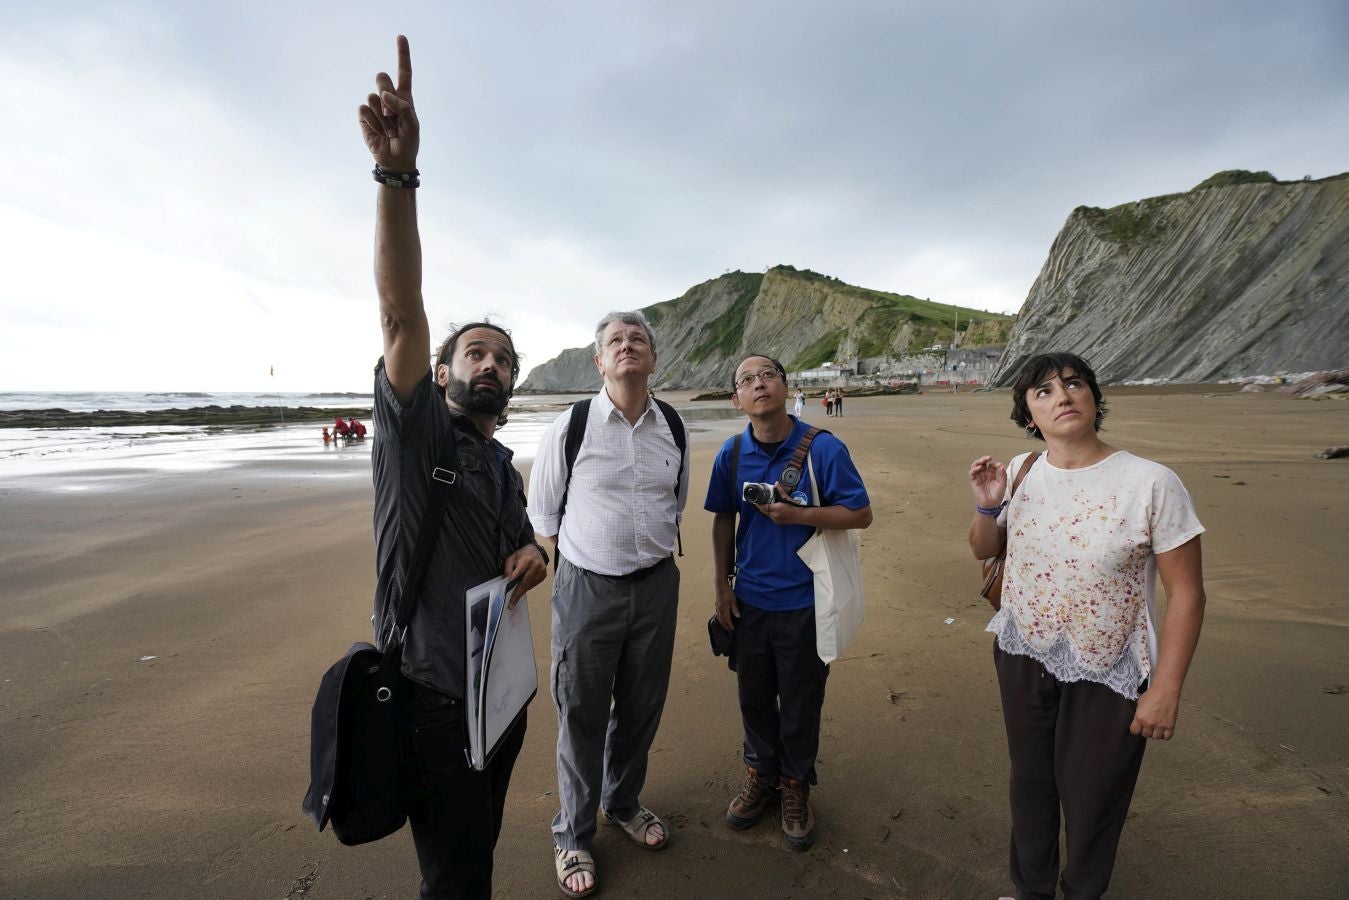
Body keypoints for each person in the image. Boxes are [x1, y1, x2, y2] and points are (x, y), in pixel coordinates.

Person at [357, 35, 548, 900]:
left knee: (478, 849)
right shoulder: (417, 438)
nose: (492, 367)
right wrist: (399, 177)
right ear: (440, 374)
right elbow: (400, 316)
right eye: (475, 353)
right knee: (455, 875)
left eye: (505, 360)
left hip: (496, 691)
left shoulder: (503, 465)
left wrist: (535, 558)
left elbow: (524, 551)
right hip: (431, 698)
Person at [967, 352, 1207, 900]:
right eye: (1043, 391)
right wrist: (987, 506)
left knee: (1093, 798)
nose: (1062, 396)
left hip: (1109, 667)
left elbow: (1187, 594)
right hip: (1022, 650)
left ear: (1095, 398)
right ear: (1030, 416)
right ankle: (1031, 890)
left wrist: (1165, 689)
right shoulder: (1023, 470)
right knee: (1030, 786)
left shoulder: (1151, 482)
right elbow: (986, 549)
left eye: (1073, 384)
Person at [528, 310, 690, 898]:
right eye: (615, 341)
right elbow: (544, 515)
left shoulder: (672, 424)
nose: (628, 346)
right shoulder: (569, 427)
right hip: (586, 590)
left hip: (656, 587)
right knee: (581, 713)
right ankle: (571, 834)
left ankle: (623, 802)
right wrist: (584, 566)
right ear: (599, 361)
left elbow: (677, 500)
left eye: (638, 339)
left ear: (652, 358)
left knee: (642, 707)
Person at [705, 355, 872, 851]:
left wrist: (799, 515)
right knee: (753, 698)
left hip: (807, 603)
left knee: (801, 702)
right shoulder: (731, 453)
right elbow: (721, 521)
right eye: (746, 380)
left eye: (768, 375)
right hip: (750, 602)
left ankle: (796, 785)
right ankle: (760, 773)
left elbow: (860, 513)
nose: (759, 385)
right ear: (737, 400)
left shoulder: (824, 448)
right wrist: (721, 586)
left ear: (785, 386)